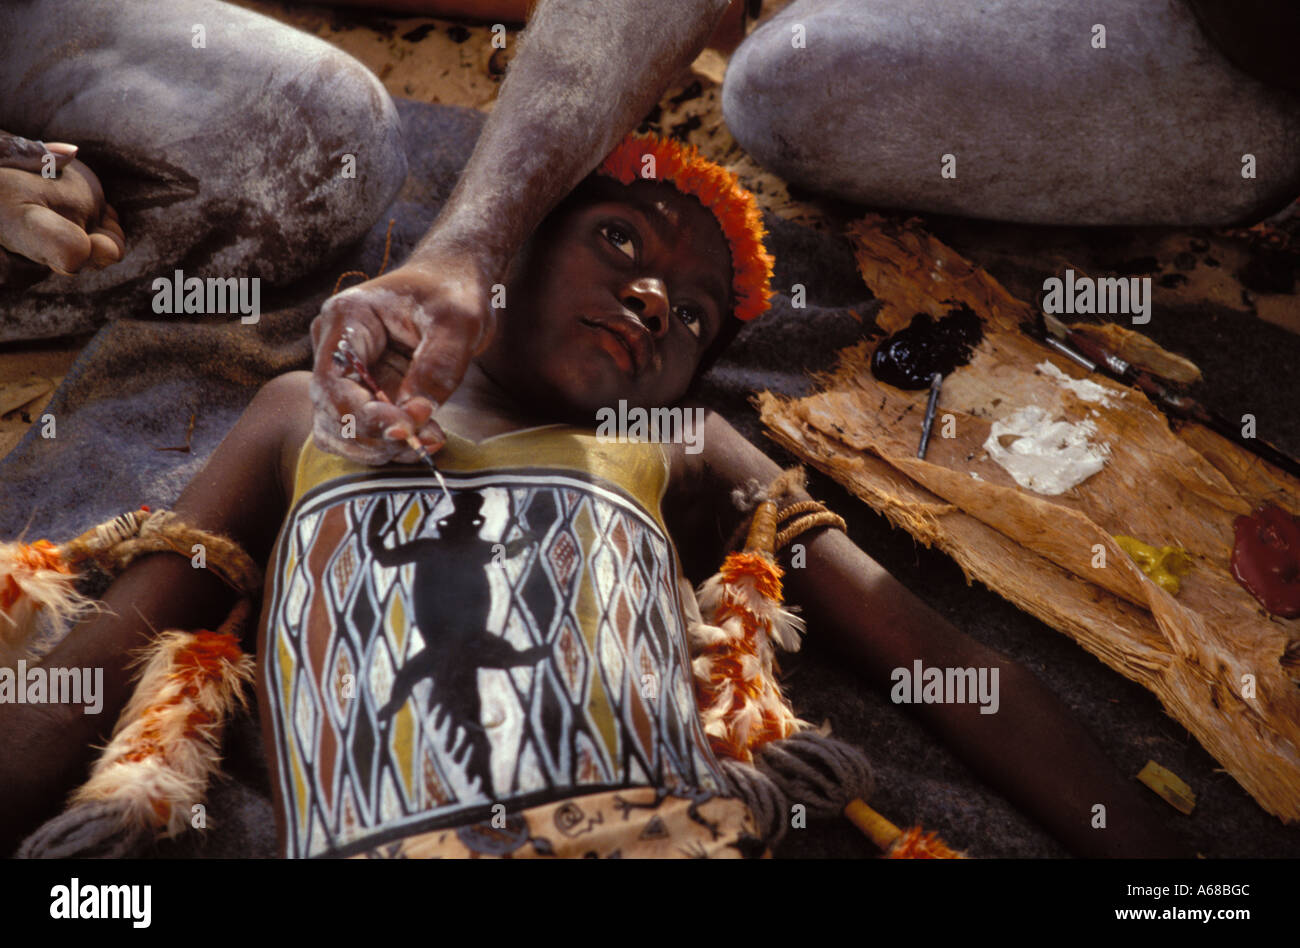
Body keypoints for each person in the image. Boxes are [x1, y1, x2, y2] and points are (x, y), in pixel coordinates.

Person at [1, 133, 1186, 858]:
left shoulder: (676, 439)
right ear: (497, 253)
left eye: (691, 316)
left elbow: (921, 647)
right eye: (618, 240)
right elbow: (127, 632)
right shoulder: (309, 415)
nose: (653, 301)